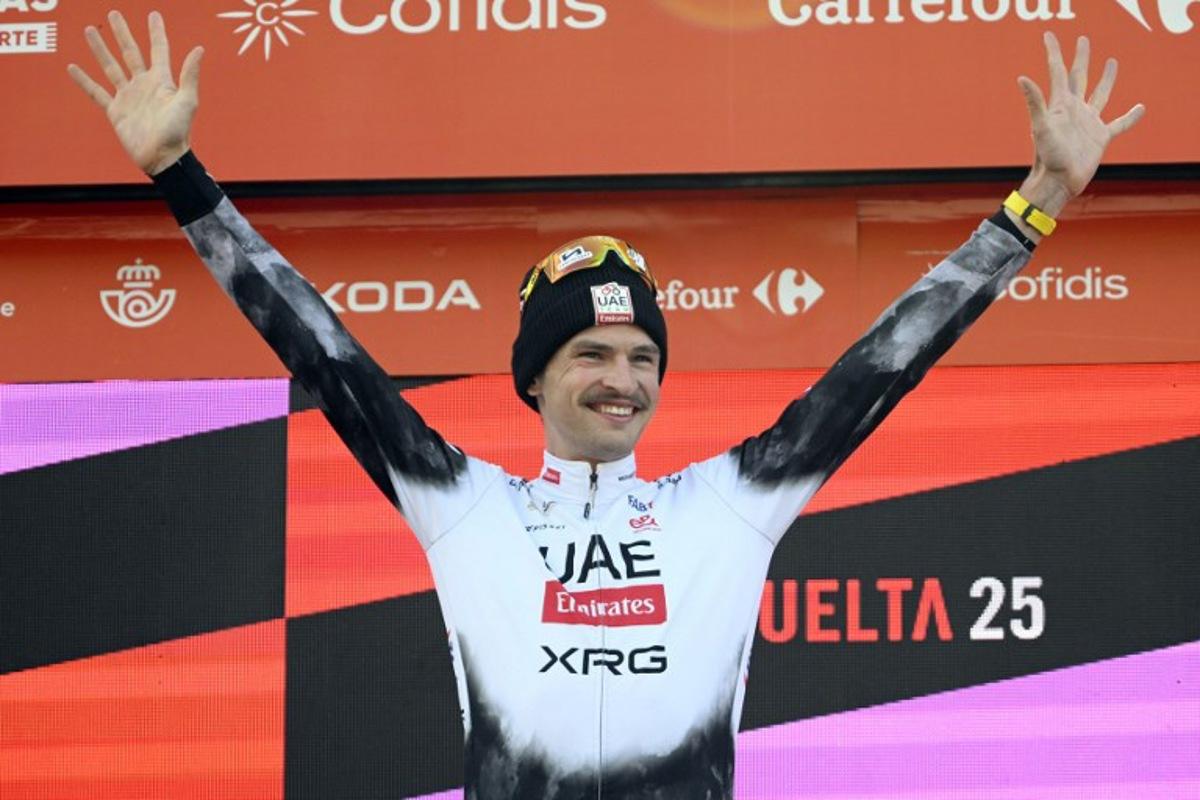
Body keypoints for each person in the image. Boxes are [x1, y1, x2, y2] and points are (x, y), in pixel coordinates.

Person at [68, 11, 1144, 799]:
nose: (620, 377)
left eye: (640, 356)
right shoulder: (463, 506)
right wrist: (181, 176)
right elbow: (323, 350)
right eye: (589, 352)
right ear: (533, 377)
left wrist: (1037, 205)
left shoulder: (728, 506)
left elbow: (883, 364)